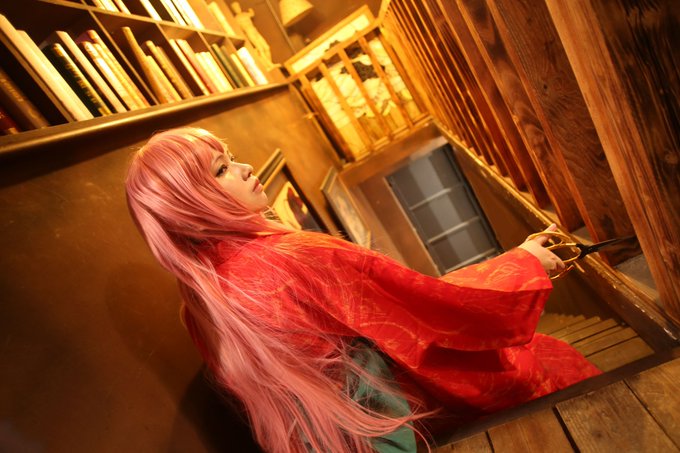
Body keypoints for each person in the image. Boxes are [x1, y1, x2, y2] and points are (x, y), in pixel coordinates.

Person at [125, 128, 601, 453]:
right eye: (221, 169)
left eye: (230, 158)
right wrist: (524, 264)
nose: (246, 167)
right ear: (190, 203)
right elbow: (433, 308)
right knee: (553, 364)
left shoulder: (199, 303)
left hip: (342, 439)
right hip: (402, 424)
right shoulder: (291, 256)